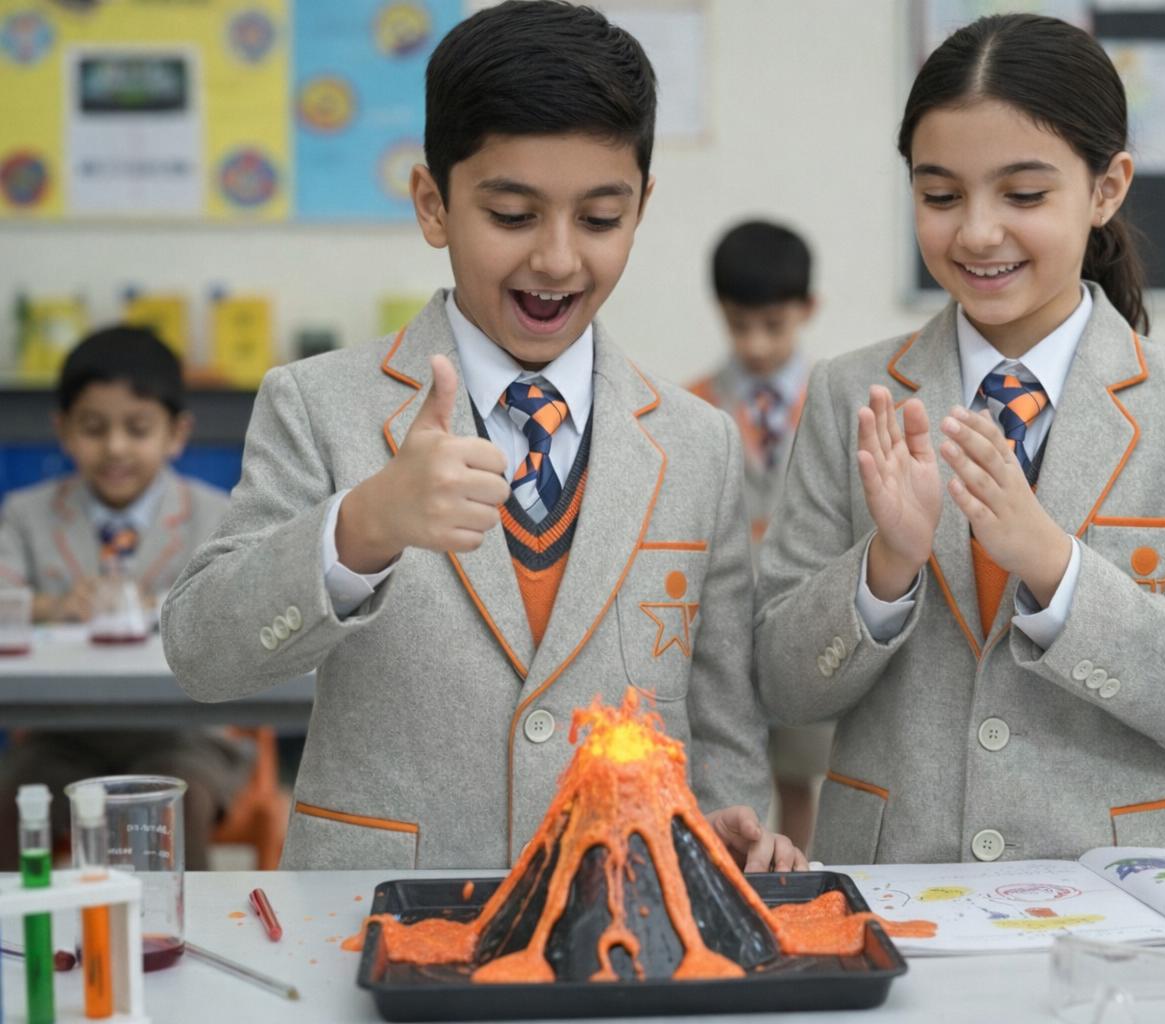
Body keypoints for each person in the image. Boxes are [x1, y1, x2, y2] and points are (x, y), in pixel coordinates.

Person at [162, 1, 801, 872]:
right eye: (511, 215)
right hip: (379, 907)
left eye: (599, 220)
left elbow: (723, 722)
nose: (557, 259)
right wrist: (363, 526)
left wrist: (728, 832)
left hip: (620, 906)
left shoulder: (699, 443)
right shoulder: (319, 403)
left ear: (641, 208)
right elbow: (202, 654)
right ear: (434, 204)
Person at [754, 13, 1165, 864]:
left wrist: (1053, 563)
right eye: (940, 197)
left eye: (1024, 196)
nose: (976, 232)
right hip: (897, 883)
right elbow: (783, 687)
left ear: (1107, 188)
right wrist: (887, 566)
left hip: (1122, 890)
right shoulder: (853, 393)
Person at [0, 325, 243, 869]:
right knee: (14, 797)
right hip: (60, 734)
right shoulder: (26, 514)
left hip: (183, 734)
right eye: (93, 428)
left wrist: (160, 606)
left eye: (137, 429)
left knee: (177, 801)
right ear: (63, 430)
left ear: (176, 433)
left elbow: (236, 602)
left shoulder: (216, 513)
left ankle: (181, 919)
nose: (115, 447)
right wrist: (54, 607)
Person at [688, 219, 828, 850]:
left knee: (799, 771)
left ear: (807, 309)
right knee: (723, 770)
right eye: (740, 325)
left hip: (800, 621)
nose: (757, 343)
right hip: (719, 629)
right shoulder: (693, 405)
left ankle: (791, 876)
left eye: (773, 325)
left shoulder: (834, 402)